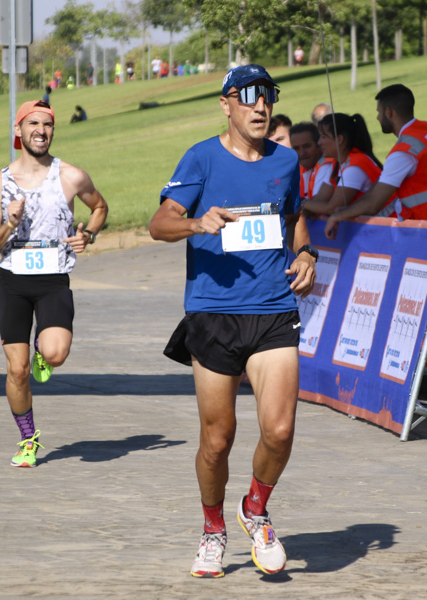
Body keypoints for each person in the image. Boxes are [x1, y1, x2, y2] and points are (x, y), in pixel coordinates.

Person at [149, 64, 317, 578]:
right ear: (226, 105)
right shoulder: (201, 158)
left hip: (272, 309)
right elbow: (158, 224)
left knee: (281, 429)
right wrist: (195, 222)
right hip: (213, 313)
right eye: (247, 97)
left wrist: (306, 252)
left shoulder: (286, 161)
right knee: (217, 439)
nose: (259, 106)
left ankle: (256, 509)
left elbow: (293, 216)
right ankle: (212, 529)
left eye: (267, 96)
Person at [0, 100, 109, 467]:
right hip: (12, 284)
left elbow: (99, 207)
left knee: (55, 354)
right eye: (32, 123)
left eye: (47, 124)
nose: (41, 130)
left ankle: (41, 349)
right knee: (16, 370)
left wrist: (90, 235)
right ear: (18, 131)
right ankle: (28, 438)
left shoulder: (70, 176)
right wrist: (9, 223)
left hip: (52, 280)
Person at [324, 84, 427, 405]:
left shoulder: (404, 148)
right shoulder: (426, 130)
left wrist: (340, 215)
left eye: (379, 111)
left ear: (390, 112)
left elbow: (376, 199)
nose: (377, 117)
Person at [304, 112, 382, 215]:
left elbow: (331, 208)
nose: (319, 143)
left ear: (340, 139)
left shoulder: (356, 166)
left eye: (323, 137)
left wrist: (300, 203)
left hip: (389, 228)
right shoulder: (337, 164)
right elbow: (320, 199)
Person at [289, 121, 335, 201]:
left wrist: (265, 210)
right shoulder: (298, 168)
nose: (302, 153)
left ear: (319, 145)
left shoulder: (326, 166)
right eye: (296, 148)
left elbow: (316, 205)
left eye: (306, 146)